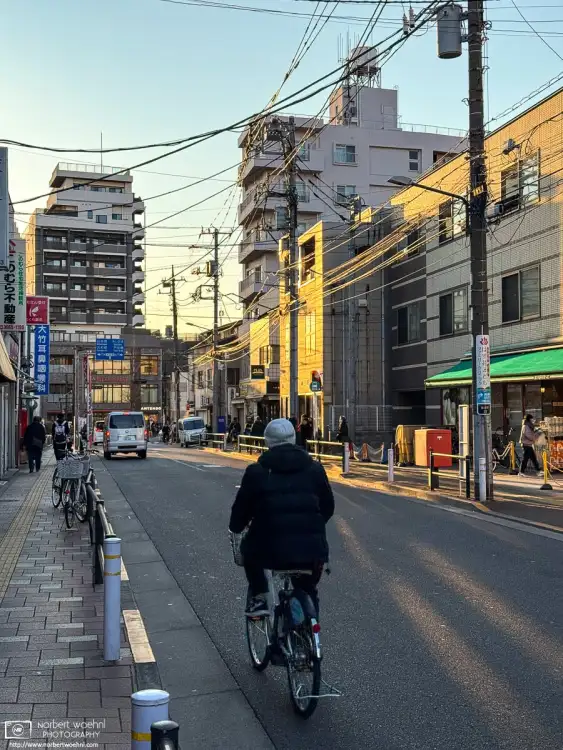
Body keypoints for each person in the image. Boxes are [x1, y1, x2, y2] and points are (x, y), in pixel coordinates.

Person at [229, 418, 334, 617]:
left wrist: (239, 527)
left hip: (270, 551)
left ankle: (259, 596)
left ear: (267, 441)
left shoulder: (256, 472)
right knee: (307, 589)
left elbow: (239, 517)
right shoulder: (315, 469)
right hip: (312, 551)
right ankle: (310, 634)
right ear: (294, 438)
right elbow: (327, 507)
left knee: (248, 548)